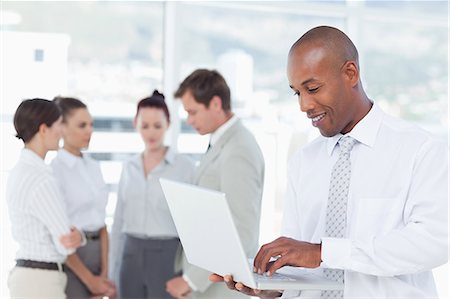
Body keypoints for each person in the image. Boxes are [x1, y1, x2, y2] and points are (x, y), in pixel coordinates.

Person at [211, 25, 448, 298]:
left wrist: (324, 253)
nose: (304, 105)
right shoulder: (303, 161)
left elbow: (434, 242)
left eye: (312, 88)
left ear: (350, 73)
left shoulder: (419, 150)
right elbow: (300, 263)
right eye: (297, 92)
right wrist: (273, 287)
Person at [166, 69, 265, 299]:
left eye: (193, 112)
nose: (189, 120)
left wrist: (192, 280)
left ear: (216, 103)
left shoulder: (239, 148)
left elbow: (242, 230)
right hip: (210, 281)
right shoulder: (222, 141)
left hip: (221, 288)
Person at [110, 90, 195, 299]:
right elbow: (118, 220)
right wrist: (111, 272)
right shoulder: (128, 167)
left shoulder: (185, 167)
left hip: (168, 256)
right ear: (135, 124)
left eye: (157, 126)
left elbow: (192, 223)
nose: (151, 133)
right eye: (145, 126)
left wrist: (191, 276)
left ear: (168, 124)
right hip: (130, 256)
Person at [6, 98, 85, 298]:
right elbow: (64, 244)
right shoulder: (40, 178)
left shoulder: (19, 170)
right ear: (43, 129)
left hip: (27, 278)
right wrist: (80, 236)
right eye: (59, 125)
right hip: (41, 282)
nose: (62, 132)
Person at [51, 97, 116, 298]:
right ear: (61, 127)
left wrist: (104, 274)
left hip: (100, 254)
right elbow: (59, 234)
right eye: (82, 125)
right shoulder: (55, 170)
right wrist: (90, 280)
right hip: (73, 260)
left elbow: (101, 223)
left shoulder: (94, 166)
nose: (89, 130)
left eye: (91, 125)